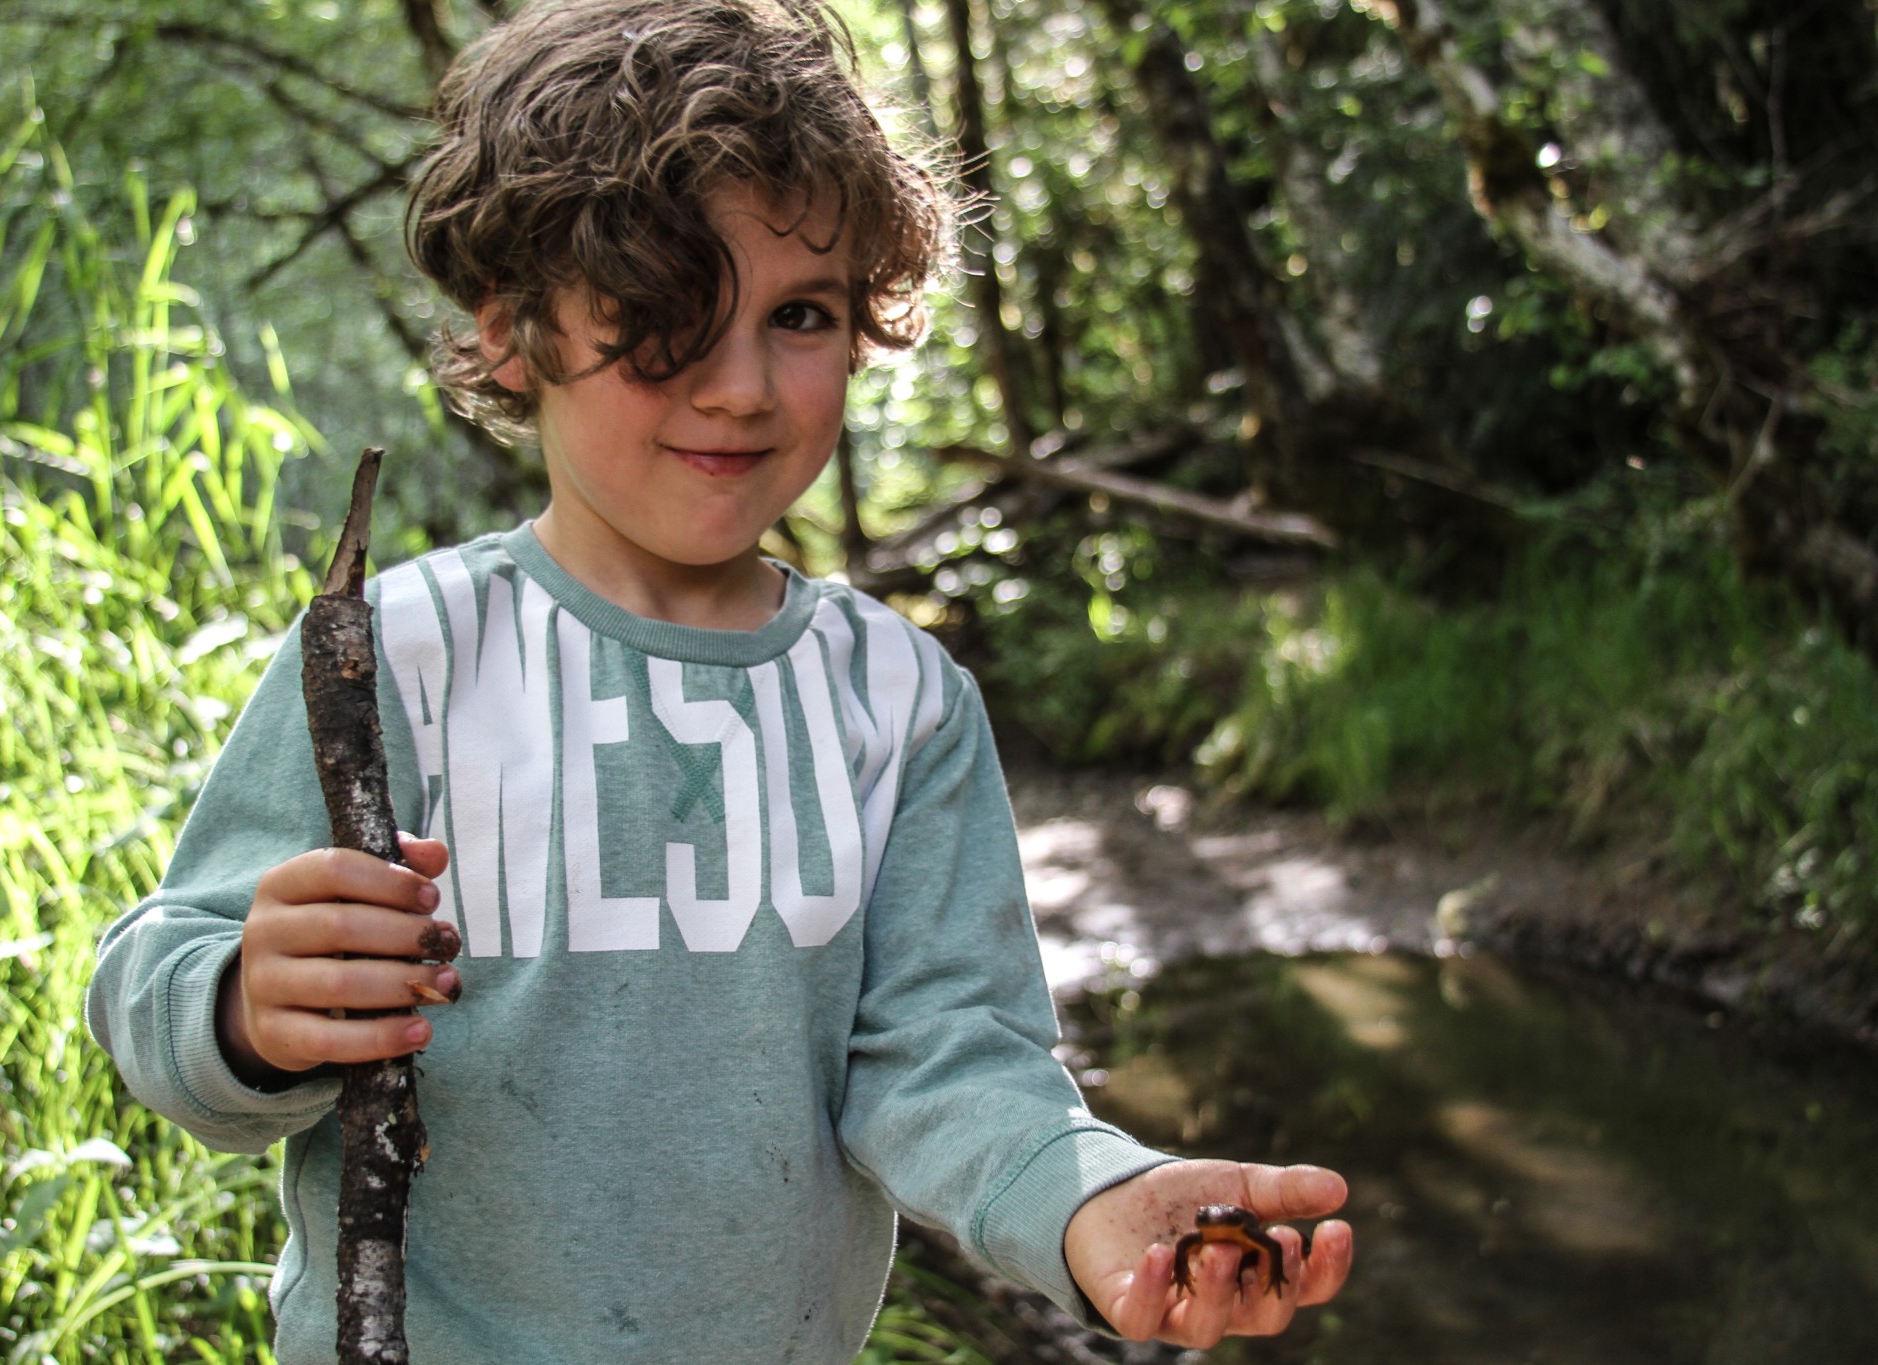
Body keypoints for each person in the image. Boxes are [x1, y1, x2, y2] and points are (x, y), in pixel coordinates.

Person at [86, 2, 1353, 1360]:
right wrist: (250, 1007)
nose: (741, 386)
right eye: (663, 315)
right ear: (512, 330)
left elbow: (946, 1059)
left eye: (798, 314)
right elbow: (156, 978)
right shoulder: (396, 656)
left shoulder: (900, 702)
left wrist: (1088, 1198)